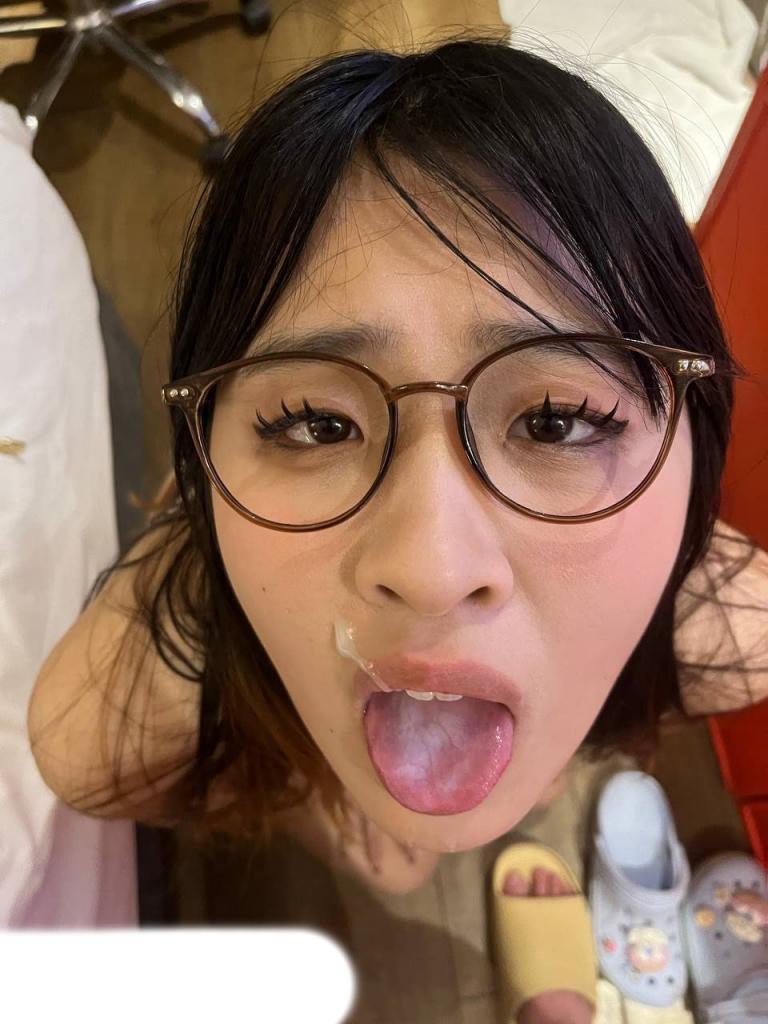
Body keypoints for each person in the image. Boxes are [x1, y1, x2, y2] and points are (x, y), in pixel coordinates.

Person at [27, 32, 768, 1022]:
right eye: (316, 424)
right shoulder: (106, 725)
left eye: (555, 421)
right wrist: (311, 798)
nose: (429, 567)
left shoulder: (739, 635)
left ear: (697, 429)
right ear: (201, 456)